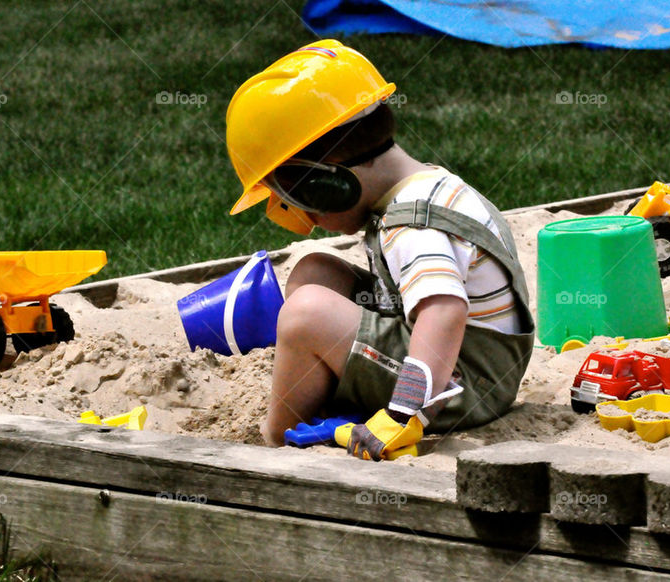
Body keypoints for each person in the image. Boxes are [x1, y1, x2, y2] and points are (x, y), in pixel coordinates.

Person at [225, 40, 534, 461]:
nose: (303, 217)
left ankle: (277, 433)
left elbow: (444, 311)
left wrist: (402, 411)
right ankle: (326, 383)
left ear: (326, 182)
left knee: (306, 314)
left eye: (293, 197)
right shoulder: (424, 183)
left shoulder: (413, 225)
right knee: (314, 271)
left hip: (461, 387)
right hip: (458, 358)